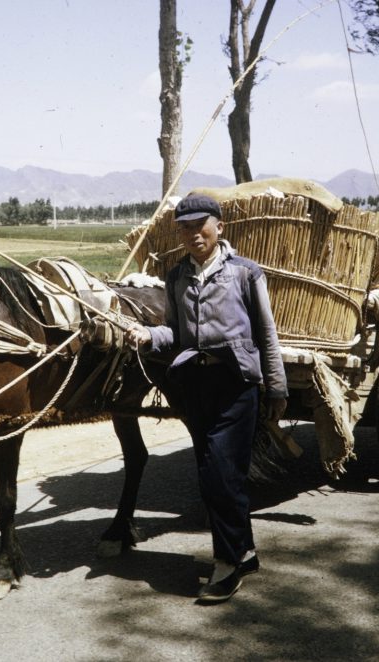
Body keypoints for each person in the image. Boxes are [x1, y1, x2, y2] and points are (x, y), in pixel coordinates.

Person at [129, 193, 288, 603]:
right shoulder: (176, 275)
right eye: (184, 226)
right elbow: (175, 333)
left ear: (219, 226)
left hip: (236, 384)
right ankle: (245, 551)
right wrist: (149, 335)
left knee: (220, 474)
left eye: (201, 224)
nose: (193, 233)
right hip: (195, 387)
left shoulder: (245, 273)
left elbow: (267, 334)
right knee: (216, 474)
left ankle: (227, 564)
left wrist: (277, 387)